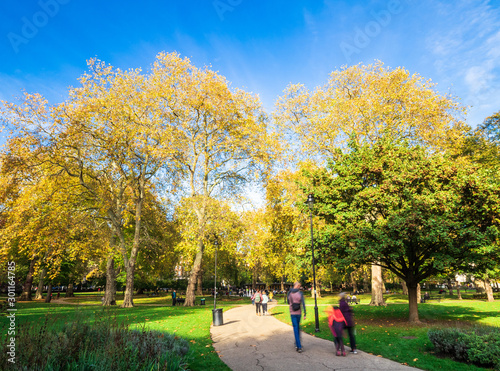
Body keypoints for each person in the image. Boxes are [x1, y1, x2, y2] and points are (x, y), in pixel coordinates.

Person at [288, 282, 306, 353]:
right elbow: (303, 303)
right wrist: (305, 313)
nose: (299, 287)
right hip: (299, 312)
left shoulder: (289, 293)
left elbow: (288, 302)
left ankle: (298, 346)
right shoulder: (300, 293)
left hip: (292, 312)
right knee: (297, 328)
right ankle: (298, 344)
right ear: (297, 286)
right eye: (299, 286)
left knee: (296, 328)